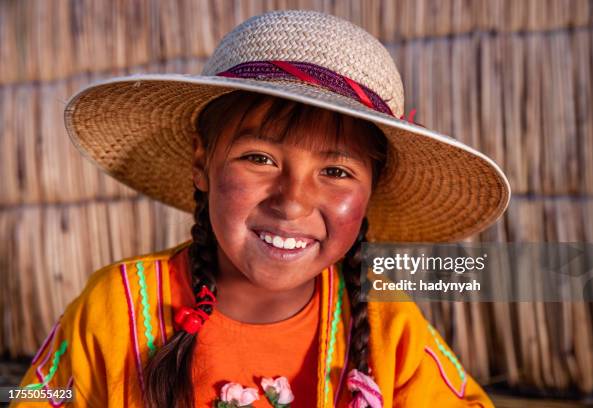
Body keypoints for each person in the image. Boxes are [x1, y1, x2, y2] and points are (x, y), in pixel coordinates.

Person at [11, 9, 510, 408]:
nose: (292, 201)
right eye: (260, 159)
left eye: (336, 171)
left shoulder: (387, 329)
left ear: (371, 191)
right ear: (202, 163)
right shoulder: (116, 308)